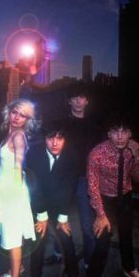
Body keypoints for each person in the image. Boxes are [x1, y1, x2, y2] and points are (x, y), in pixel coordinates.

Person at [82, 113, 139, 277]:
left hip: (125, 197)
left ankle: (129, 268)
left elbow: (138, 178)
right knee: (101, 246)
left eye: (125, 131)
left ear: (130, 133)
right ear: (109, 133)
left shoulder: (131, 150)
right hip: (105, 200)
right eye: (115, 131)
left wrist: (137, 156)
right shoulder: (97, 154)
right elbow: (92, 187)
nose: (120, 136)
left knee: (127, 236)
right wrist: (100, 215)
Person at [25, 119, 84, 277]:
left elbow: (69, 187)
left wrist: (63, 217)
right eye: (51, 138)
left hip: (59, 204)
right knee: (38, 239)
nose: (55, 143)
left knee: (66, 239)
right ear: (45, 139)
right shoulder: (34, 154)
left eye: (60, 138)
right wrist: (41, 216)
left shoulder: (72, 155)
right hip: (38, 203)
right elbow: (34, 187)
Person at [45, 83, 103, 267]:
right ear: (69, 101)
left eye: (82, 97)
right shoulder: (62, 124)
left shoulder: (94, 124)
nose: (78, 101)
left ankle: (89, 259)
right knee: (60, 219)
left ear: (87, 101)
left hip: (85, 179)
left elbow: (102, 150)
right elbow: (49, 143)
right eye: (75, 98)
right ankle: (58, 252)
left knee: (87, 224)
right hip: (63, 178)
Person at [0, 99, 39, 277]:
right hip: (5, 190)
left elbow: (17, 166)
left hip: (13, 193)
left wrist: (11, 196)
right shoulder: (8, 134)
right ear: (9, 112)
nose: (17, 117)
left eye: (22, 115)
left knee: (13, 240)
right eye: (15, 112)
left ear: (28, 120)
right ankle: (15, 270)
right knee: (10, 235)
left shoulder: (19, 136)